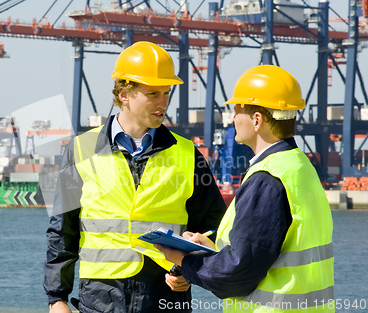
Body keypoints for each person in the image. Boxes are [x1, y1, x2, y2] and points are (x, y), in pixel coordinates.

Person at [44, 41, 227, 313]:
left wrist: (189, 271)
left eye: (167, 93)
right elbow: (62, 231)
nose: (163, 102)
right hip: (99, 302)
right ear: (124, 93)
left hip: (165, 300)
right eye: (153, 93)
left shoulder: (189, 155)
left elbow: (212, 231)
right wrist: (57, 298)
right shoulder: (80, 151)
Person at [157, 65, 335, 312]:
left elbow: (237, 275)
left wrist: (184, 261)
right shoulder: (299, 167)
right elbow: (269, 252)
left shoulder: (266, 180)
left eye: (237, 109)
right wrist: (213, 253)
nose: (232, 118)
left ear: (257, 120)